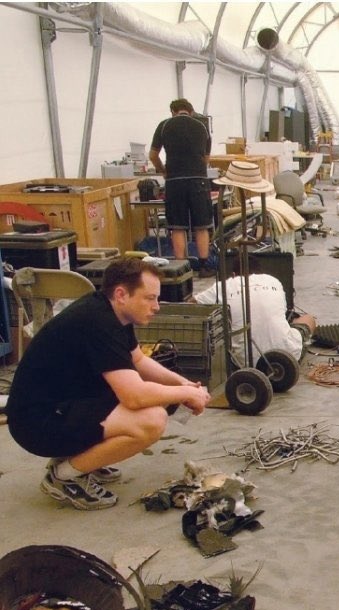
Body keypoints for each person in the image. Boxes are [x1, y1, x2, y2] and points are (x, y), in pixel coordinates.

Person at [6, 258, 211, 511]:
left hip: (62, 403)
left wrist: (186, 384)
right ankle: (64, 476)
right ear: (121, 294)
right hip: (36, 423)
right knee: (151, 420)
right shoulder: (98, 322)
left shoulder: (111, 312)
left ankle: (87, 459)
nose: (156, 306)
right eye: (150, 298)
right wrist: (183, 394)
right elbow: (134, 397)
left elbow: (137, 361)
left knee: (157, 397)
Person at [149, 98, 214, 275]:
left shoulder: (164, 125)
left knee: (178, 226)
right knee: (202, 226)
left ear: (173, 111)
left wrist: (163, 171)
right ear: (191, 111)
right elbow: (206, 158)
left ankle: (181, 268)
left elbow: (153, 155)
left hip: (175, 181)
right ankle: (204, 266)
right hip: (198, 180)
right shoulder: (202, 127)